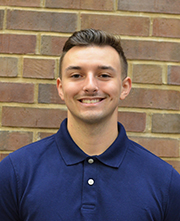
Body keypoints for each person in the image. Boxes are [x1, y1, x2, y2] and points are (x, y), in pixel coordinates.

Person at [0, 29, 180, 221]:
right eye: (77, 75)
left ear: (124, 87)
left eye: (104, 75)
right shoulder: (15, 173)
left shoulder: (165, 181)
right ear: (61, 88)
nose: (90, 86)